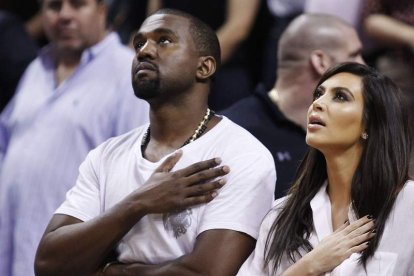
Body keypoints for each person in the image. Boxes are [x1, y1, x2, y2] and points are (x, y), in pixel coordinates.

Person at [34, 8, 275, 276]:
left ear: (204, 66)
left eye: (164, 40)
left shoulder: (241, 154)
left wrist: (111, 271)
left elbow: (207, 272)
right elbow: (48, 264)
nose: (144, 51)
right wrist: (137, 203)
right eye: (139, 43)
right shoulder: (106, 155)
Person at [0, 0, 149, 275]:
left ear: (103, 10)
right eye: (54, 6)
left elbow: (136, 179)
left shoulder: (128, 73)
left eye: (78, 4)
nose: (64, 16)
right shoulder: (36, 68)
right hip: (11, 250)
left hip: (73, 261)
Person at [237, 62, 414, 275]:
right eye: (318, 94)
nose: (318, 104)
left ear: (369, 124)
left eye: (340, 97)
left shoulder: (408, 204)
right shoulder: (280, 215)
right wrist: (306, 268)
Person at [222, 14, 364, 198]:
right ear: (320, 62)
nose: (363, 65)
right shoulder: (234, 132)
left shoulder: (354, 129)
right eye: (354, 55)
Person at [147, 0, 261, 111]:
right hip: (170, 70)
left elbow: (238, 28)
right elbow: (155, 20)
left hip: (222, 72)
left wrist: (193, 63)